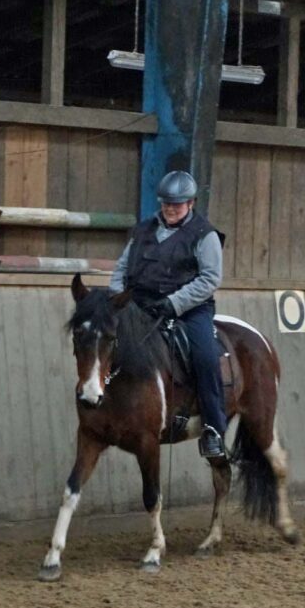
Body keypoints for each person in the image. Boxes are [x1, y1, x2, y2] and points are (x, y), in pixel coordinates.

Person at [109, 170, 227, 459]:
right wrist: (116, 301)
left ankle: (213, 428)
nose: (170, 209)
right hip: (140, 305)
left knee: (205, 357)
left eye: (177, 204)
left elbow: (210, 279)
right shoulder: (142, 230)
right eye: (166, 203)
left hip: (188, 309)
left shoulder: (205, 234)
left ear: (191, 202)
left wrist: (174, 302)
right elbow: (121, 270)